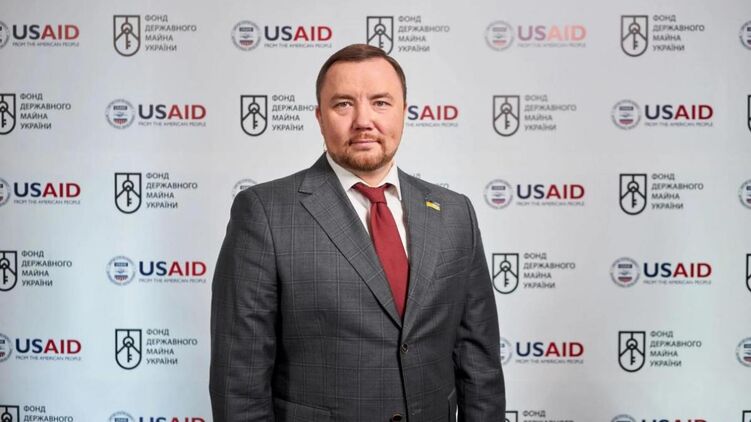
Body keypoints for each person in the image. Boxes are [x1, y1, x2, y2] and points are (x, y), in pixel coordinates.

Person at [210, 43, 505, 422]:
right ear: (320, 117)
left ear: (404, 112)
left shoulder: (455, 213)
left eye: (381, 102)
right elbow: (240, 381)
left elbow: (479, 363)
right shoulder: (265, 213)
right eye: (343, 104)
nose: (363, 120)